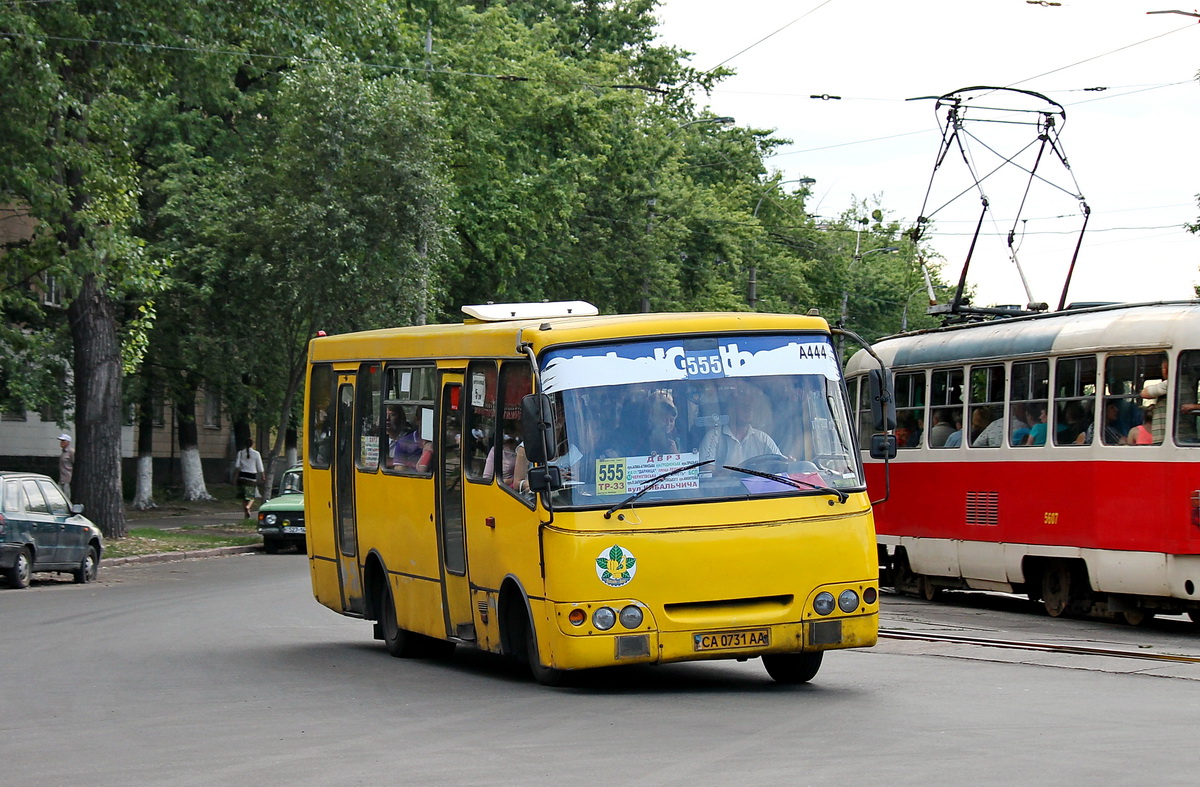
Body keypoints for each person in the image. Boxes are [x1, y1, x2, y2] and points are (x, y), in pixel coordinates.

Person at [700, 388, 782, 468]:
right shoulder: (713, 437)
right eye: (743, 406)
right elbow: (707, 469)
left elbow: (781, 463)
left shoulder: (763, 439)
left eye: (750, 406)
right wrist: (730, 473)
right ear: (731, 410)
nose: (748, 410)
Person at [234, 437, 265, 519]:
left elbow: (237, 465)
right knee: (251, 496)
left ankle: (246, 514)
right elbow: (260, 466)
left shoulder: (240, 453)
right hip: (251, 476)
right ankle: (248, 507)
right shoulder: (256, 453)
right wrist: (263, 476)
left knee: (244, 497)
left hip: (242, 476)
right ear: (252, 444)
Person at [57, 433, 74, 501]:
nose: (61, 443)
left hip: (68, 479)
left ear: (68, 442)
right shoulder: (63, 452)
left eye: (63, 441)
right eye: (61, 441)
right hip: (61, 478)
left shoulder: (71, 452)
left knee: (67, 497)